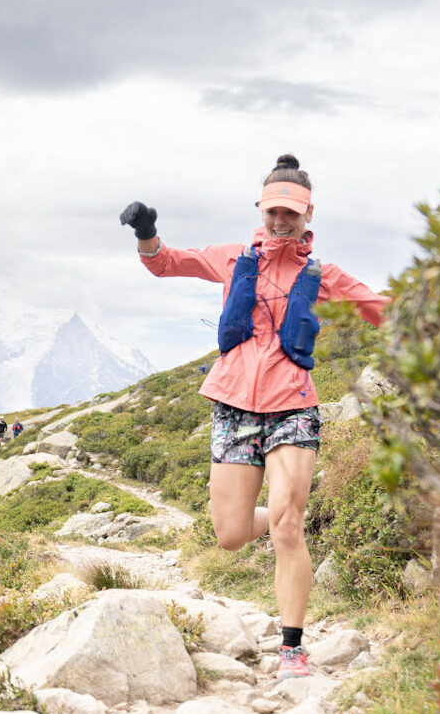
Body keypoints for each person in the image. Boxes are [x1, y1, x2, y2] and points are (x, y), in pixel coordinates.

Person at [121, 154, 387, 678]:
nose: (280, 220)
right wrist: (147, 233)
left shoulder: (322, 274)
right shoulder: (232, 258)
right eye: (272, 211)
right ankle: (279, 517)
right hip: (234, 403)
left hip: (294, 405)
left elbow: (379, 306)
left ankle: (292, 648)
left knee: (290, 527)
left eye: (290, 212)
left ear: (308, 215)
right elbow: (165, 261)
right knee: (231, 534)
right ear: (261, 210)